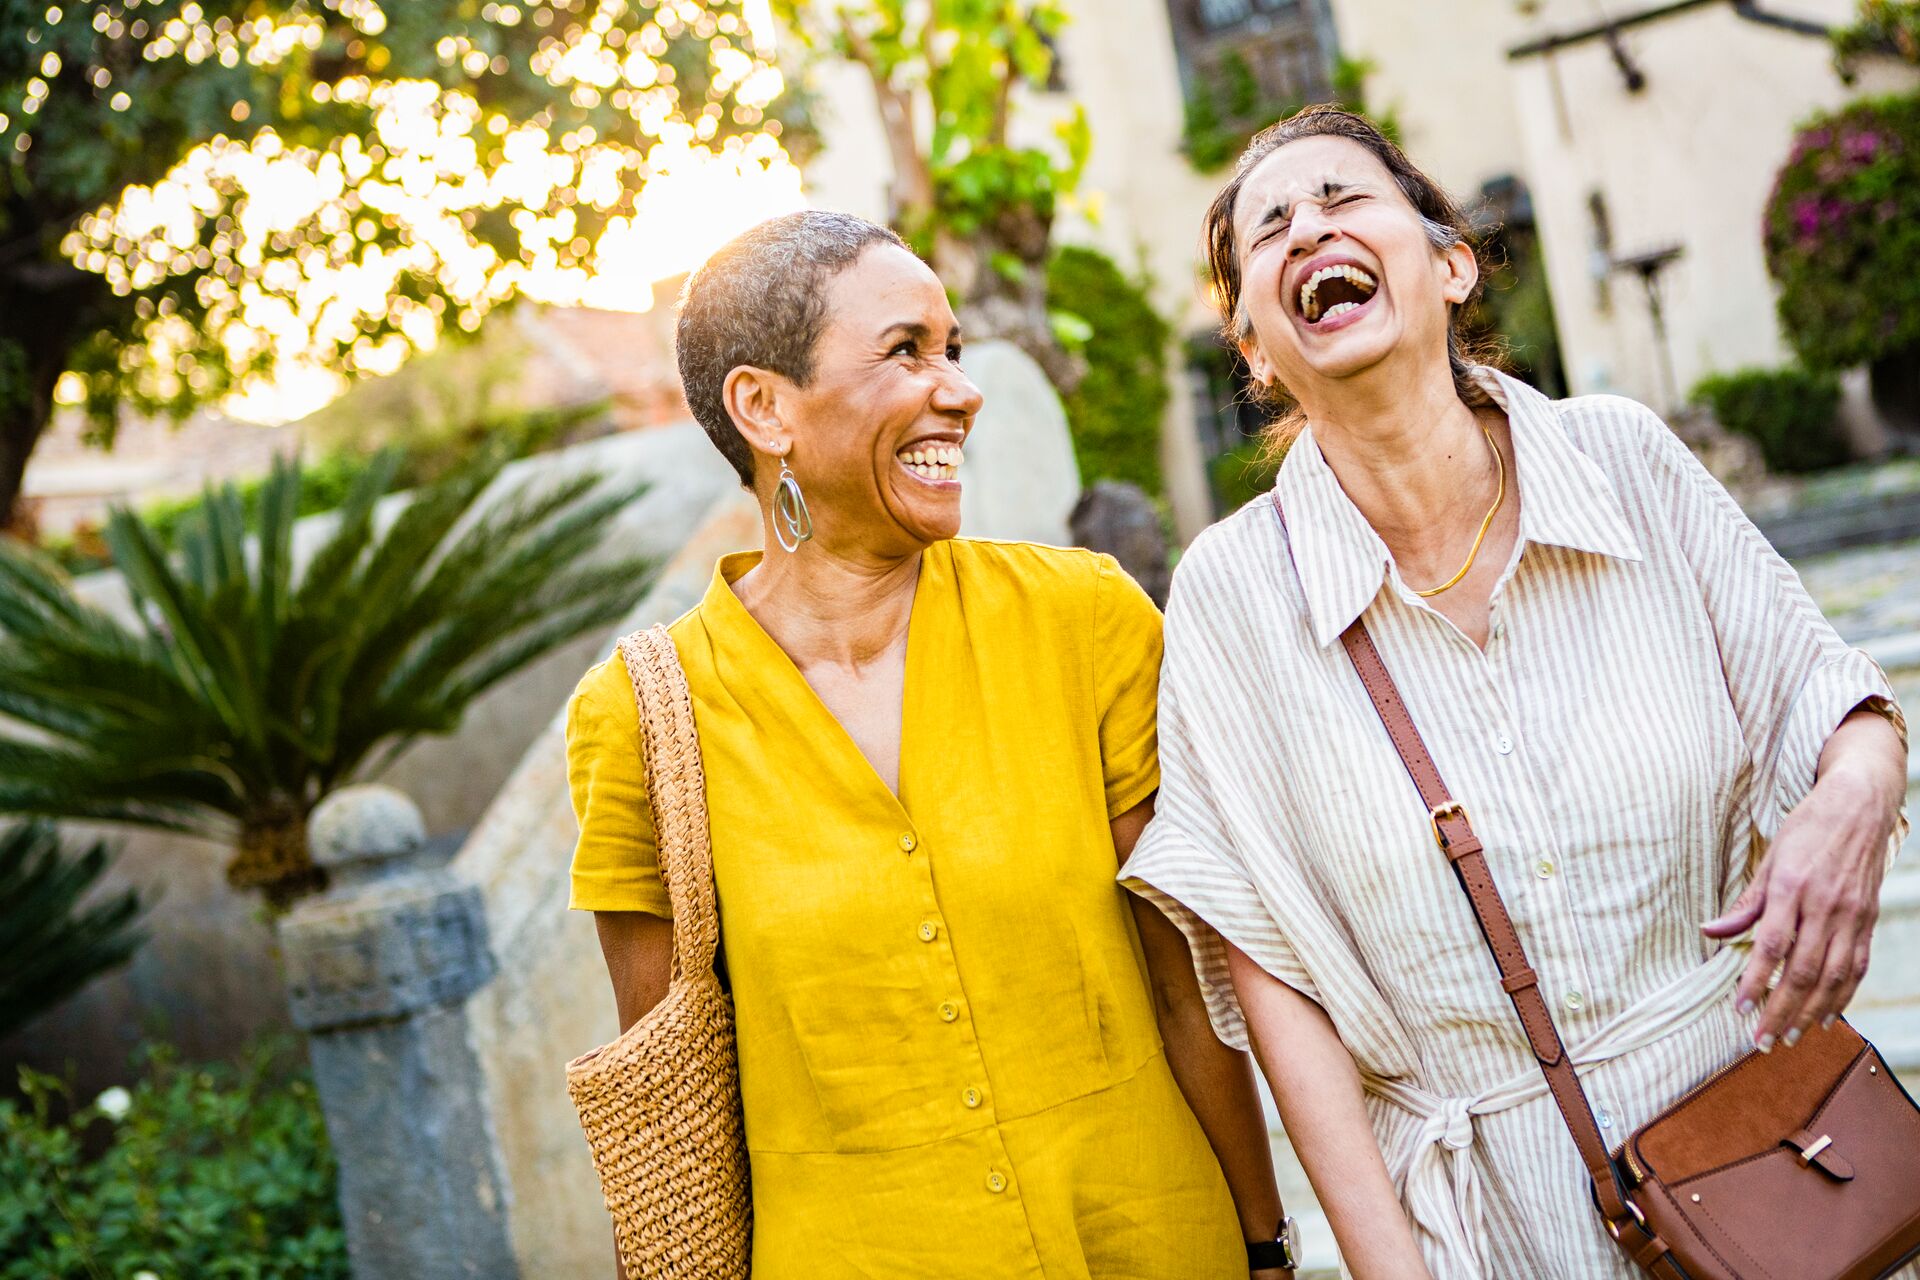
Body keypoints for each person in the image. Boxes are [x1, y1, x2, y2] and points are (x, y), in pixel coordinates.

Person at [1120, 107, 1909, 1279]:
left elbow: (1828, 696)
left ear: (1448, 265)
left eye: (1341, 199)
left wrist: (1854, 794)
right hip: (1486, 1221)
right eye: (1267, 230)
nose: (1305, 231)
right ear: (1253, 347)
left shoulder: (1624, 458)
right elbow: (1273, 973)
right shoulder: (1233, 596)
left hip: (1764, 1153)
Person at [565, 210, 1295, 1278]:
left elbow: (1188, 982)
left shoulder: (1083, 616)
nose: (959, 386)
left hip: (1150, 1239)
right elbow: (670, 1086)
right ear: (764, 406)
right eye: (906, 350)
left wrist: (1264, 1244)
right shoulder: (641, 716)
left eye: (950, 348)